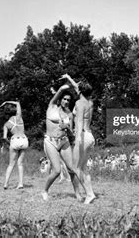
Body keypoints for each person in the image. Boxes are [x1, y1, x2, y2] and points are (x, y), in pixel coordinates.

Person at [41, 83, 84, 201]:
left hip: (64, 141)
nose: (66, 101)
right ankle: (45, 190)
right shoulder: (52, 107)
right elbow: (58, 93)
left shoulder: (69, 114)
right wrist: (63, 87)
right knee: (57, 170)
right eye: (64, 99)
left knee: (71, 169)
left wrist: (67, 127)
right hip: (51, 141)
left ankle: (77, 193)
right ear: (60, 100)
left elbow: (71, 133)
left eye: (68, 100)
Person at [61, 74, 97, 204]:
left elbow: (80, 121)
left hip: (82, 136)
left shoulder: (79, 103)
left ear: (80, 91)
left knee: (75, 168)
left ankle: (89, 193)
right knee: (83, 168)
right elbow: (78, 88)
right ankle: (90, 194)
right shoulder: (89, 102)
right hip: (90, 136)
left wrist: (78, 139)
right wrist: (69, 77)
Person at [2, 101, 29, 190]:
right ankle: (20, 184)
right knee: (20, 163)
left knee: (11, 164)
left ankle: (6, 184)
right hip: (24, 140)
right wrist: (7, 101)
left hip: (15, 140)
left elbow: (5, 138)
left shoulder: (6, 125)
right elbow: (18, 103)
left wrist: (10, 143)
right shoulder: (19, 117)